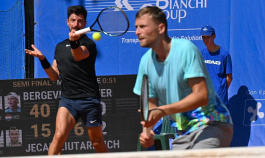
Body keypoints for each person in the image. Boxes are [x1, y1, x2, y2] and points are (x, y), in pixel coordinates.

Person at [133, 6, 233, 150]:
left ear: (161, 28)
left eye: (143, 26)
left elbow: (201, 96)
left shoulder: (186, 49)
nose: (137, 32)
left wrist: (162, 111)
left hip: (213, 124)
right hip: (184, 132)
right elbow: (152, 104)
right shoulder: (145, 62)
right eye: (136, 27)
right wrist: (147, 131)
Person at [25, 5, 109, 154]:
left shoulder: (89, 44)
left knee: (97, 142)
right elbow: (54, 76)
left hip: (89, 100)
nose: (76, 24)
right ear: (67, 22)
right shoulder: (59, 47)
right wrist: (43, 59)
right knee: (58, 136)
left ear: (84, 23)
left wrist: (74, 42)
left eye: (80, 21)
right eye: (73, 20)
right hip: (68, 100)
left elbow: (78, 55)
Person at [200, 25, 233, 108]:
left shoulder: (224, 55)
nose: (205, 40)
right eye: (203, 37)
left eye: (207, 37)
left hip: (220, 99)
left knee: (220, 121)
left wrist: (221, 90)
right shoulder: (201, 54)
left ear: (214, 36)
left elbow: (229, 77)